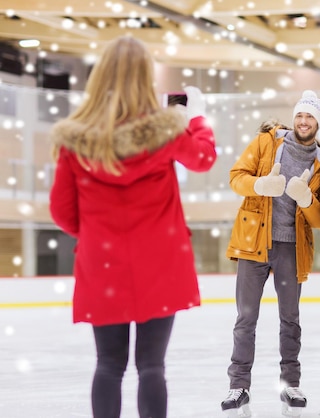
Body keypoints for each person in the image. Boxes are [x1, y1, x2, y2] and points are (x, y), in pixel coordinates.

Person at [48, 36, 217, 418]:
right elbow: (204, 157)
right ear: (145, 78)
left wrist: (97, 235)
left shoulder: (77, 139)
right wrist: (196, 118)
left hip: (101, 265)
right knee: (152, 367)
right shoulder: (165, 131)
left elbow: (62, 211)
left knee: (108, 365)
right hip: (160, 261)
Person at [221, 90, 320, 418]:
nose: (304, 121)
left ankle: (290, 384)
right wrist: (259, 185)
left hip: (290, 248)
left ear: (317, 123)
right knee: (246, 318)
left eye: (310, 117)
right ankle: (238, 386)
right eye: (300, 115)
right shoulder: (267, 142)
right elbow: (236, 177)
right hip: (255, 241)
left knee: (290, 319)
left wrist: (307, 201)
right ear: (294, 118)